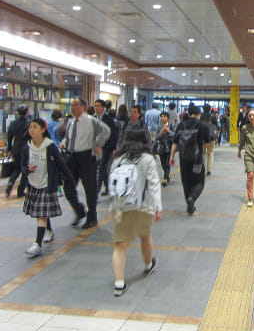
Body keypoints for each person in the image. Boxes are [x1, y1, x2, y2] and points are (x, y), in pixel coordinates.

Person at [109, 128, 162, 297]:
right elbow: (154, 184)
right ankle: (148, 265)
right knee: (145, 236)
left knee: (120, 245)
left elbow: (112, 184)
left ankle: (119, 283)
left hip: (121, 207)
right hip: (143, 206)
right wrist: (158, 207)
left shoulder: (118, 160)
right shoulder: (148, 159)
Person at [20, 118, 75, 258]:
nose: (31, 130)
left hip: (46, 184)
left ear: (43, 129)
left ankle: (37, 244)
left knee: (41, 214)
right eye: (30, 127)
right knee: (41, 213)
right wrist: (27, 170)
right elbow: (22, 166)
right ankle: (48, 230)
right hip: (33, 184)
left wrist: (69, 179)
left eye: (35, 127)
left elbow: (60, 164)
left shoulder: (49, 146)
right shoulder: (27, 147)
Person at [59, 97, 111, 229]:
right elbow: (68, 137)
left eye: (76, 105)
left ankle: (92, 217)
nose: (73, 108)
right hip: (72, 158)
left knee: (90, 189)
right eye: (71, 106)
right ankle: (79, 211)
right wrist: (64, 142)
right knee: (68, 188)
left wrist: (98, 143)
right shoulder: (70, 122)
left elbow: (106, 131)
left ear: (83, 107)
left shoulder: (91, 121)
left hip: (87, 157)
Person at [169, 104, 211, 215]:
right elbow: (207, 144)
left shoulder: (181, 125)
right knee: (199, 182)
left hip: (184, 159)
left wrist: (172, 156)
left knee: (186, 182)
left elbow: (175, 142)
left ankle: (189, 205)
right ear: (199, 114)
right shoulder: (203, 126)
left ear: (188, 114)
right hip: (197, 160)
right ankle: (192, 198)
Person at [94, 99, 118, 196]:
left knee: (101, 169)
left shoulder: (109, 120)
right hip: (94, 149)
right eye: (95, 106)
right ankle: (107, 188)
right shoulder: (93, 119)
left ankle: (96, 191)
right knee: (102, 169)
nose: (96, 108)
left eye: (98, 106)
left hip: (106, 149)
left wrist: (113, 149)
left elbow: (113, 135)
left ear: (103, 108)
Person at [6, 104, 30, 198]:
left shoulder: (13, 123)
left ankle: (10, 185)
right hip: (26, 150)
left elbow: (9, 137)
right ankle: (20, 190)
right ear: (27, 112)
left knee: (16, 169)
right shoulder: (28, 124)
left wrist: (9, 149)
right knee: (25, 171)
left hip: (16, 149)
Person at [154, 112, 174, 186]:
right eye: (161, 117)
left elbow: (175, 135)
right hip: (161, 147)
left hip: (169, 147)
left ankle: (165, 178)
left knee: (167, 163)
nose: (163, 118)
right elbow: (156, 138)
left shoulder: (171, 126)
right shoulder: (159, 127)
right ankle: (167, 175)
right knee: (163, 163)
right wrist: (161, 132)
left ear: (168, 118)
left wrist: (169, 132)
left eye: (164, 116)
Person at [200, 104, 219, 176]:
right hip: (211, 138)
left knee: (203, 154)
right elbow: (216, 127)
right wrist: (216, 137)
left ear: (203, 109)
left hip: (202, 138)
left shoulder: (201, 116)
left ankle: (203, 168)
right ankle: (209, 170)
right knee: (210, 153)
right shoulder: (213, 117)